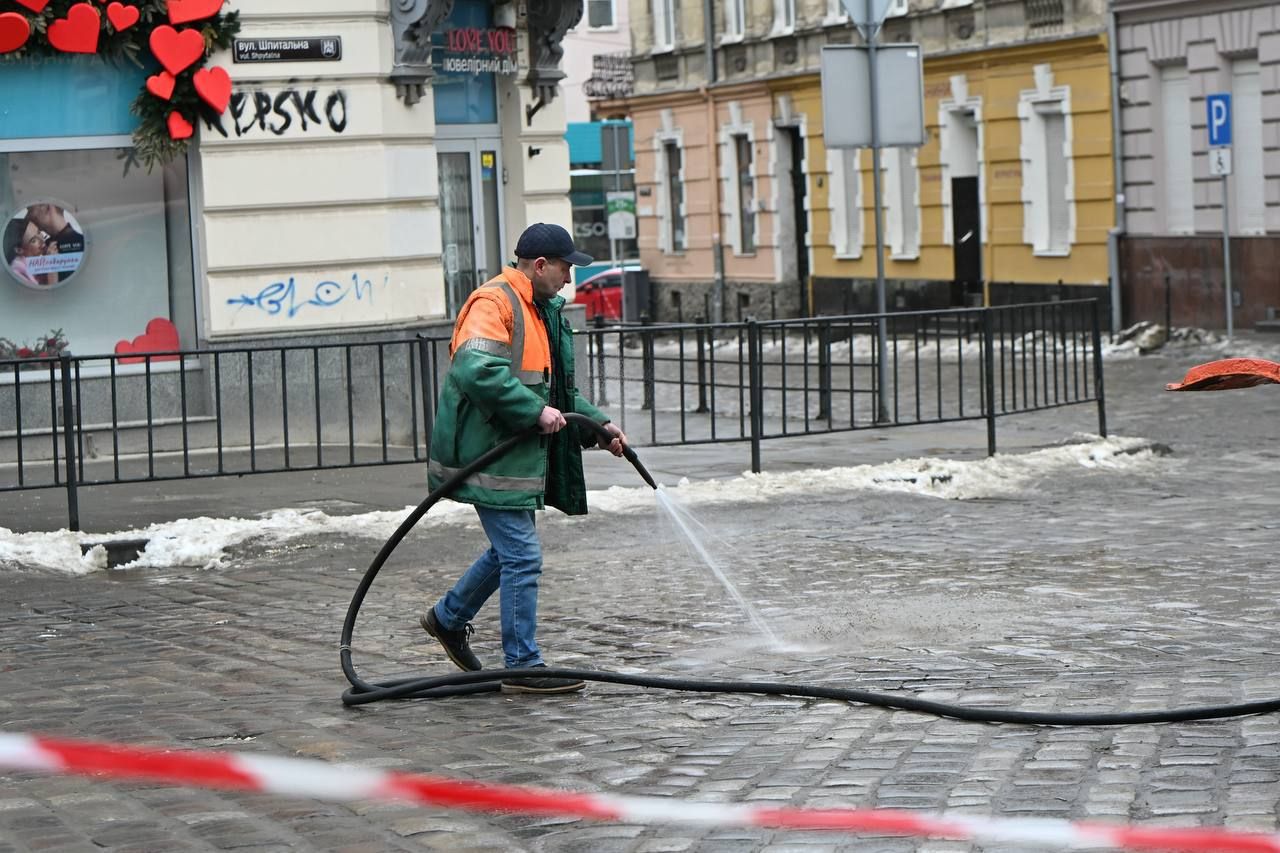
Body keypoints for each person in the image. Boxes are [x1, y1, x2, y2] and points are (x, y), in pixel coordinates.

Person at [421, 222, 628, 695]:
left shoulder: (538, 309)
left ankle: (448, 619)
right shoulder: (494, 303)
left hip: (510, 456)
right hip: (487, 454)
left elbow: (556, 393)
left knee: (508, 552)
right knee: (522, 555)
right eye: (564, 268)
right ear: (539, 265)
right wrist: (533, 411)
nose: (569, 279)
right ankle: (522, 663)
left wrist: (600, 426)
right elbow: (476, 370)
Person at [3, 215, 56, 287]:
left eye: (38, 232)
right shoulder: (16, 271)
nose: (41, 240)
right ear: (19, 250)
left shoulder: (38, 259)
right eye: (33, 240)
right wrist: (52, 270)